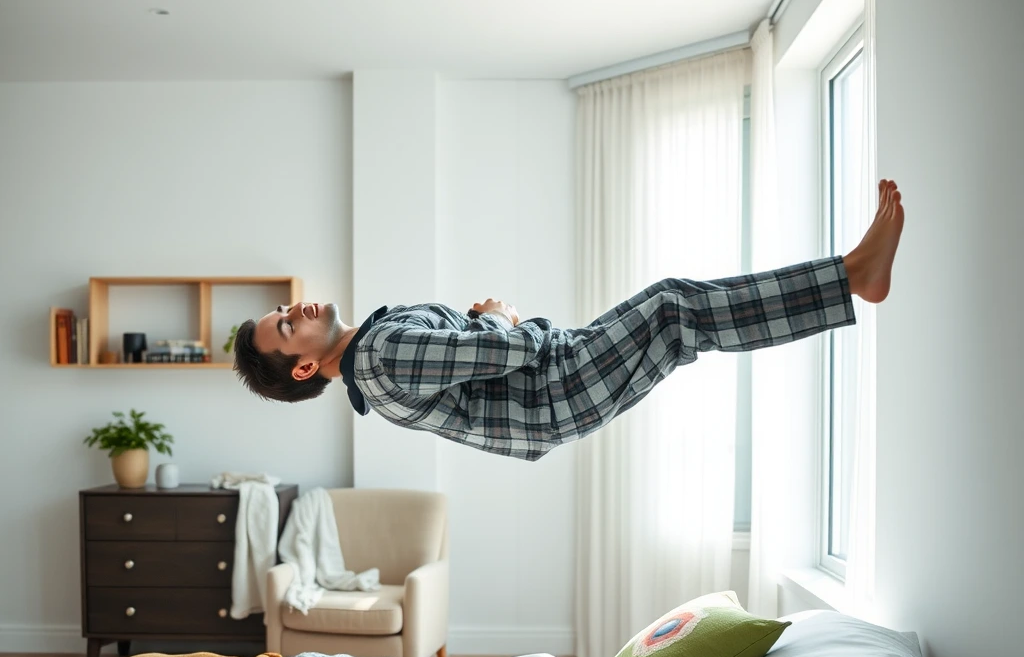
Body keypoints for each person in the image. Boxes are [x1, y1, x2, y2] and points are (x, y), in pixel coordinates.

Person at [234, 180, 904, 462]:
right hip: (561, 380)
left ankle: (846, 279)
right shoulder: (382, 356)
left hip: (560, 393)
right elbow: (511, 353)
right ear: (302, 365)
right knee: (673, 305)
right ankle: (850, 275)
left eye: (283, 309)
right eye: (287, 326)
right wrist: (501, 319)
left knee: (681, 322)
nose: (296, 310)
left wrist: (493, 329)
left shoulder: (375, 363)